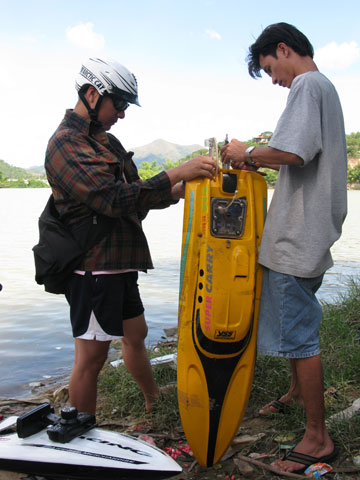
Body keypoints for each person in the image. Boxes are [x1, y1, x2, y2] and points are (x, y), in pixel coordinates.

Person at [45, 57, 216, 417]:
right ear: (92, 94)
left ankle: (153, 398)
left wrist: (176, 191)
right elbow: (110, 199)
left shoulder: (109, 143)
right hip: (93, 267)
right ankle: (80, 435)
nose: (121, 113)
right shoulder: (65, 144)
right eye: (118, 103)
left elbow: (135, 198)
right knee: (91, 356)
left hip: (121, 263)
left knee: (136, 334)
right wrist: (173, 173)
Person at [221, 23, 347, 474]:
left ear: (283, 49)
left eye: (270, 69)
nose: (274, 80)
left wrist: (247, 151)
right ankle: (295, 394)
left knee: (300, 335)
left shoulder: (308, 85)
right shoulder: (325, 88)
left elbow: (294, 153)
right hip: (309, 231)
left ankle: (318, 438)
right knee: (296, 323)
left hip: (299, 235)